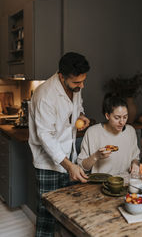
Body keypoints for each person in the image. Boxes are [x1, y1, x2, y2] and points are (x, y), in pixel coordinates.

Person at [28, 52, 90, 237]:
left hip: (68, 156)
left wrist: (81, 116)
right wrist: (69, 165)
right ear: (62, 76)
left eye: (83, 81)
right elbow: (45, 136)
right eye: (77, 83)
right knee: (47, 215)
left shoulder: (76, 85)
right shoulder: (45, 95)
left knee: (67, 211)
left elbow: (76, 107)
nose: (82, 85)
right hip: (48, 163)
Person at [77, 93, 140, 175]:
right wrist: (96, 156)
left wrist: (135, 164)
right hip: (100, 183)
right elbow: (82, 167)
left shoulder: (130, 131)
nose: (122, 122)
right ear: (107, 116)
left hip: (125, 181)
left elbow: (135, 158)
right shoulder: (92, 132)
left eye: (125, 117)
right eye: (117, 118)